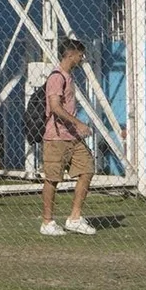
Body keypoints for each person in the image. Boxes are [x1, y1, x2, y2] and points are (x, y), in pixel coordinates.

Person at [39, 38, 96, 236]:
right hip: (56, 137)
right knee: (53, 179)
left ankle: (75, 217)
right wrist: (78, 123)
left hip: (72, 136)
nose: (82, 59)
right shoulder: (57, 77)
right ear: (70, 54)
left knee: (87, 168)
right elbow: (55, 107)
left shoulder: (69, 77)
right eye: (80, 55)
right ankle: (47, 222)